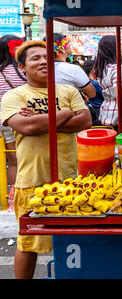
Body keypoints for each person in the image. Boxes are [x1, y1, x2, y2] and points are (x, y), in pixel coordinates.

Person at [0, 40, 91, 279]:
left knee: (71, 240)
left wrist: (42, 120)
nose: (42, 62)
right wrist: (63, 113)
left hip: (69, 181)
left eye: (46, 57)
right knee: (28, 243)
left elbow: (85, 122)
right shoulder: (14, 96)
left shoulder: (68, 91)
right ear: (22, 67)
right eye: (35, 58)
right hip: (32, 181)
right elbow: (27, 127)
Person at [94, 35, 122, 132]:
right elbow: (120, 96)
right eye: (120, 44)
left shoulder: (104, 68)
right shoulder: (117, 68)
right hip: (121, 119)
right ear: (114, 47)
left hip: (108, 115)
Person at [0, 35, 26, 188]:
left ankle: (9, 197)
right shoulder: (22, 71)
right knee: (19, 161)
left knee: (10, 161)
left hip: (2, 120)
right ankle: (18, 193)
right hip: (18, 119)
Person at [51, 34, 96, 100]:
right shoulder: (73, 69)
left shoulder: (42, 69)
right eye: (68, 43)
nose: (70, 45)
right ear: (61, 48)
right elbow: (92, 93)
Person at [82, 59, 104, 126]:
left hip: (89, 111)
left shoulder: (83, 82)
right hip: (98, 112)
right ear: (93, 69)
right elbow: (104, 96)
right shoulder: (95, 84)